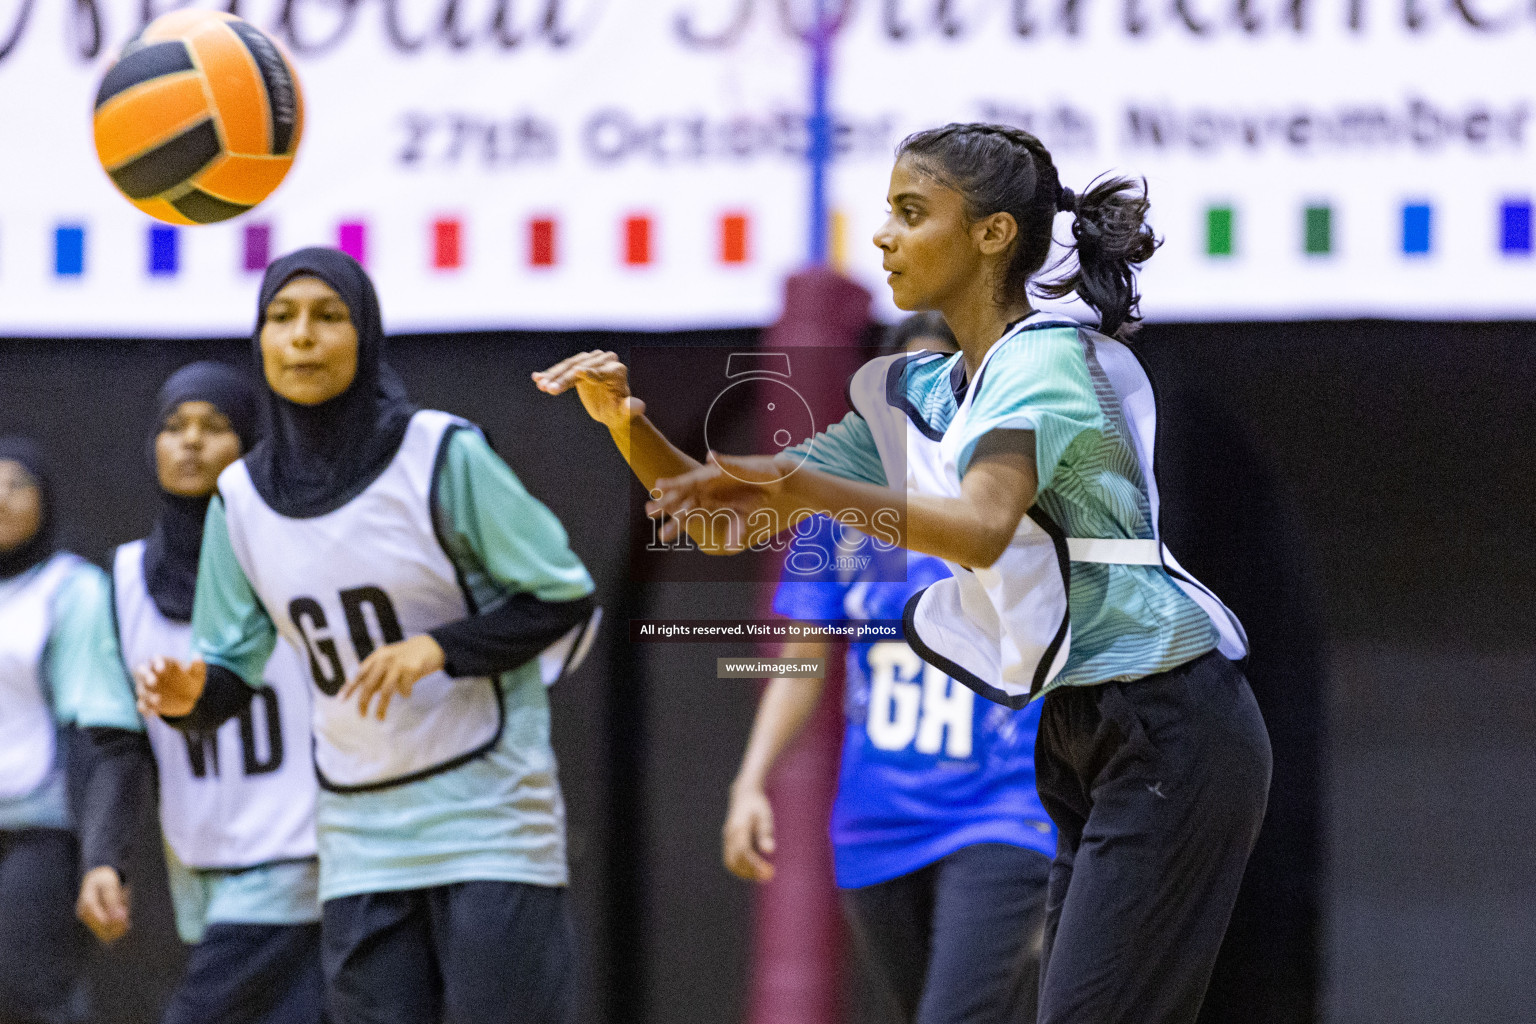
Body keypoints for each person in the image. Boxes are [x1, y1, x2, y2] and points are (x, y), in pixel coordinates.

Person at [535, 123, 1271, 1023]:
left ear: (993, 234)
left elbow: (982, 531)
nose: (882, 233)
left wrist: (806, 483)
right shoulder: (914, 397)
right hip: (1080, 732)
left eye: (911, 213)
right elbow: (725, 524)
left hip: (1171, 715)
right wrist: (627, 424)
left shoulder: (1043, 359)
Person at [136, 248, 600, 1024]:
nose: (303, 338)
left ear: (367, 334)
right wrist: (193, 697)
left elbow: (565, 599)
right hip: (358, 836)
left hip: (488, 818)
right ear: (259, 343)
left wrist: (439, 647)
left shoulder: (441, 453)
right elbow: (230, 665)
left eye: (327, 316)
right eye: (281, 319)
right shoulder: (242, 498)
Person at [723, 314, 1053, 1024]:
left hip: (1001, 810)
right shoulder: (843, 516)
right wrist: (752, 780)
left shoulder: (1019, 505)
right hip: (878, 821)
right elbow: (801, 664)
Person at [72, 361, 324, 1024]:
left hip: (304, 848)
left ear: (251, 446)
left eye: (213, 427)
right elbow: (116, 742)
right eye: (174, 426)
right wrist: (104, 859)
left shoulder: (298, 554)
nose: (189, 441)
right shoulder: (124, 578)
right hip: (203, 859)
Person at [0, 437, 129, 1024]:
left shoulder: (71, 590)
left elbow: (98, 728)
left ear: (45, 501)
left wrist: (100, 851)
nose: (0, 499)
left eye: (16, 485)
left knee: (30, 986)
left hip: (41, 828)